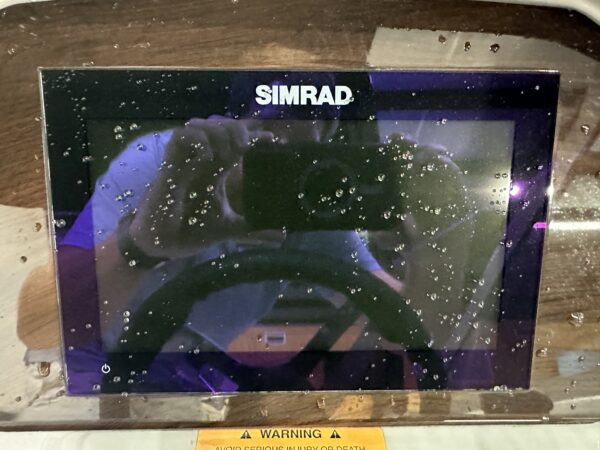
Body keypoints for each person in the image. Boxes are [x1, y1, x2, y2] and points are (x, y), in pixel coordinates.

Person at [57, 72, 409, 391]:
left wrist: (432, 234)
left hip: (192, 368)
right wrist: (139, 245)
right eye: (266, 142)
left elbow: (400, 321)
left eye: (302, 154)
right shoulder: (165, 165)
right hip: (100, 357)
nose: (280, 170)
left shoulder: (305, 204)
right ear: (224, 126)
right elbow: (59, 326)